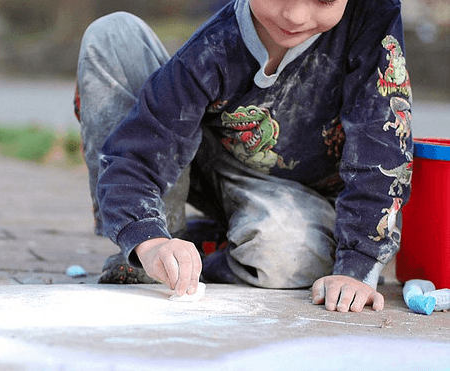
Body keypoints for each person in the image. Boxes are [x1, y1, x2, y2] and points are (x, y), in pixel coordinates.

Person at [74, 0, 413, 313]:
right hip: (211, 162)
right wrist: (149, 241)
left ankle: (204, 251)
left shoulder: (370, 16)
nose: (295, 15)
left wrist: (357, 265)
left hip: (297, 203)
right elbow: (146, 143)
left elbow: (380, 142)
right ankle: (160, 253)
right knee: (113, 34)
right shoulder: (213, 48)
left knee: (286, 253)